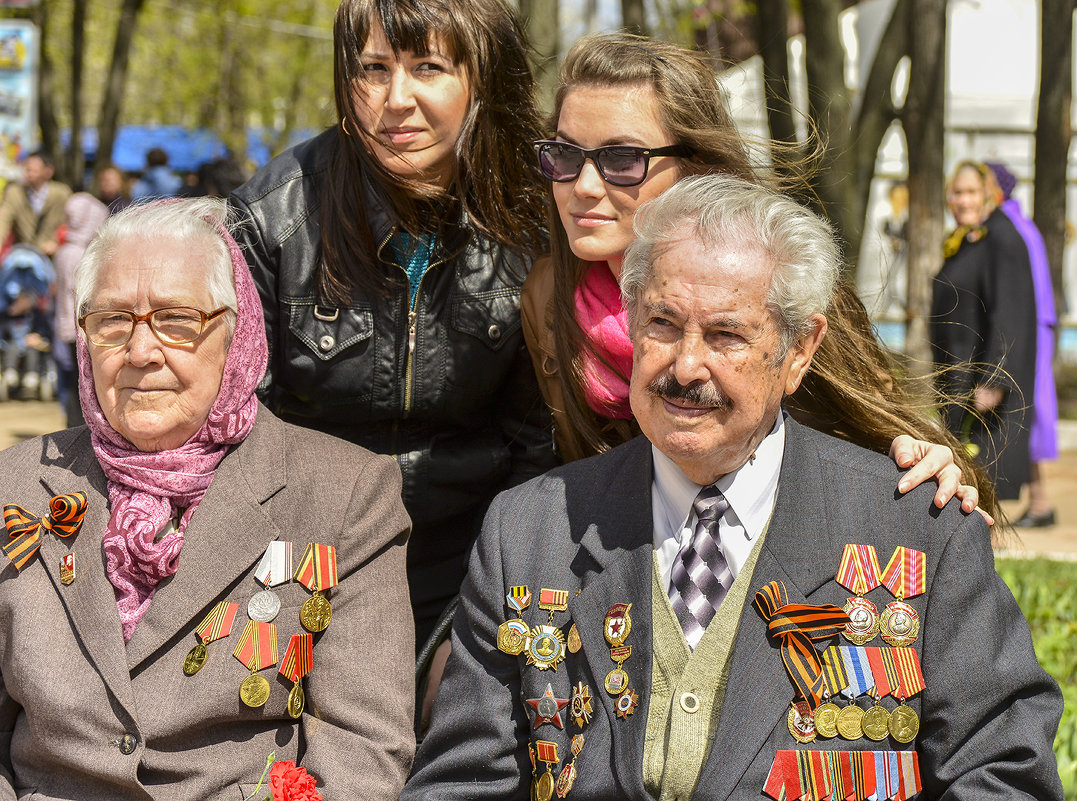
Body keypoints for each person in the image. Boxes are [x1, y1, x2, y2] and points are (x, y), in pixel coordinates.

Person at [403, 175, 1063, 801]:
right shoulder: (529, 529)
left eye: (725, 334)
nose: (686, 365)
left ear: (798, 349)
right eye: (662, 323)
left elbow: (1002, 771)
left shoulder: (914, 525)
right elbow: (462, 781)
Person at [0, 198, 414, 799]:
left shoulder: (344, 493)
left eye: (176, 320)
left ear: (236, 330)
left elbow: (363, 750)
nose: (140, 352)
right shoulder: (15, 483)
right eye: (113, 320)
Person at [521, 33, 992, 517]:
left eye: (622, 159)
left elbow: (879, 431)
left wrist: (921, 458)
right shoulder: (544, 294)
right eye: (566, 154)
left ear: (694, 165)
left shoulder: (784, 280)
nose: (584, 186)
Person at [230, 0, 555, 648]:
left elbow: (536, 444)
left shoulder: (529, 220)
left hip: (468, 565)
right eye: (372, 68)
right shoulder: (272, 219)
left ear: (481, 79)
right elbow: (237, 435)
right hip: (298, 559)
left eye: (427, 67)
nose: (394, 99)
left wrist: (494, 596)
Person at [932, 161, 1037, 502]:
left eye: (971, 192)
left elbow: (1010, 314)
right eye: (957, 192)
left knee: (981, 487)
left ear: (989, 195)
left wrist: (995, 378)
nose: (963, 201)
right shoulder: (970, 240)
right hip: (959, 381)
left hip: (983, 391)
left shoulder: (1001, 239)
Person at [986, 161, 1058, 527]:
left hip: (1024, 332)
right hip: (1033, 328)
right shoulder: (1022, 226)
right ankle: (1040, 501)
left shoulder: (1009, 229)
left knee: (1023, 409)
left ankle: (1039, 502)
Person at [52, 191, 109, 426]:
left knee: (73, 384)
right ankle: (79, 430)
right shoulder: (83, 254)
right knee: (84, 384)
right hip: (81, 327)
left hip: (66, 324)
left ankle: (73, 426)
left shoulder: (65, 249)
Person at [0, 150, 72, 256]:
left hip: (53, 255)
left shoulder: (61, 194)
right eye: (27, 169)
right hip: (23, 254)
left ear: (48, 171)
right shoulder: (14, 193)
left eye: (34, 170)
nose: (29, 174)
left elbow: (71, 224)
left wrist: (57, 243)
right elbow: (3, 221)